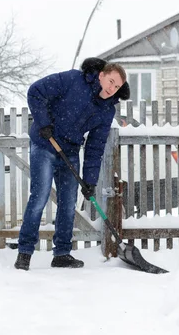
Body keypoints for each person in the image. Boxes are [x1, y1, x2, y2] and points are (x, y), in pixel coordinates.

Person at [14, 57, 129, 271]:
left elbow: (95, 147)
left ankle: (62, 254)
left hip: (70, 150)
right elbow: (35, 92)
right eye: (111, 81)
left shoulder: (107, 110)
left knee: (68, 204)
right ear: (101, 75)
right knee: (40, 196)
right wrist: (44, 124)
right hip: (45, 143)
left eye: (118, 86)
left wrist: (90, 181)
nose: (112, 88)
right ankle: (25, 252)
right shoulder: (73, 80)